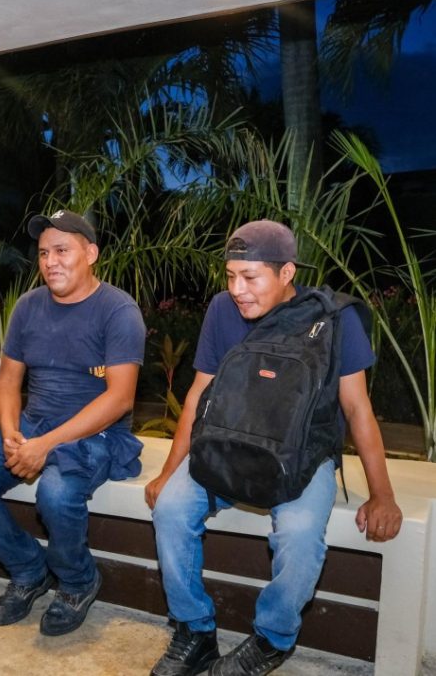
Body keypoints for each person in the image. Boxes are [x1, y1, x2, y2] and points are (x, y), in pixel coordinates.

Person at [146, 220, 403, 676]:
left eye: (250, 277)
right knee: (171, 508)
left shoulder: (334, 318)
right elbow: (198, 393)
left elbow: (357, 408)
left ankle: (272, 639)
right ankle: (194, 630)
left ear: (286, 273)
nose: (237, 290)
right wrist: (169, 472)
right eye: (230, 276)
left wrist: (382, 495)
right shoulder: (222, 310)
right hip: (227, 442)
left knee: (300, 535)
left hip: (300, 454)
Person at [0, 209, 146, 636]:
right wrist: (10, 432)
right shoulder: (29, 306)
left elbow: (120, 398)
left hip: (96, 432)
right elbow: (8, 380)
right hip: (34, 421)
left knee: (55, 494)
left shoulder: (118, 310)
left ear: (90, 254)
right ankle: (28, 569)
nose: (50, 261)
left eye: (61, 251)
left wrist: (46, 444)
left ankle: (77, 582)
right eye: (42, 253)